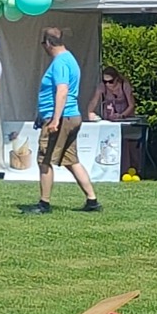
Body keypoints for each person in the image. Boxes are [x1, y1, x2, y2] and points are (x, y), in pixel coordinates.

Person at [24, 26, 98, 214]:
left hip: (62, 118)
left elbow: (62, 91)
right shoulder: (70, 59)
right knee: (71, 160)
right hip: (71, 116)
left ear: (48, 43)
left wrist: (54, 120)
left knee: (44, 159)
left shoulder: (60, 62)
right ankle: (92, 200)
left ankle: (44, 203)